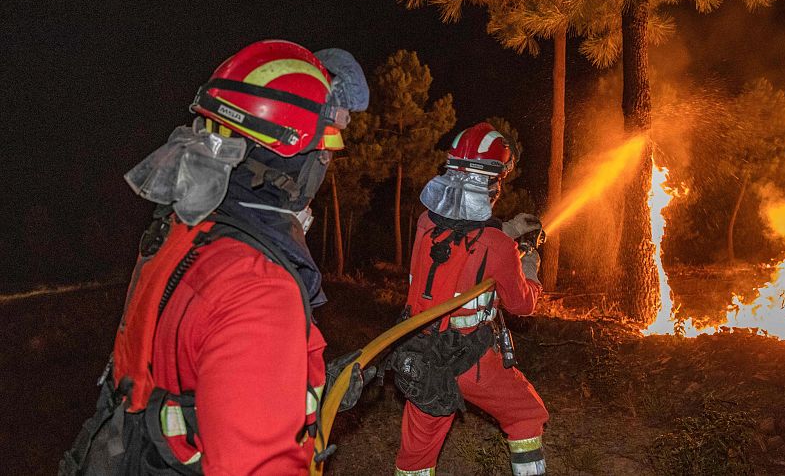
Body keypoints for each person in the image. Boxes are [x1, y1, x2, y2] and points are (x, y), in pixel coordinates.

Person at [60, 40, 369, 475]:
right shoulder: (259, 287)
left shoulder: (181, 232)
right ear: (294, 161)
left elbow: (193, 376)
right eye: (324, 155)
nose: (325, 168)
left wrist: (296, 382)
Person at [392, 122, 549, 476]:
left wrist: (507, 233)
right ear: (493, 184)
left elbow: (462, 241)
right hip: (471, 361)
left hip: (421, 356)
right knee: (525, 414)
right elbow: (523, 305)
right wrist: (531, 264)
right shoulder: (497, 246)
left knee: (416, 454)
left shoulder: (423, 224)